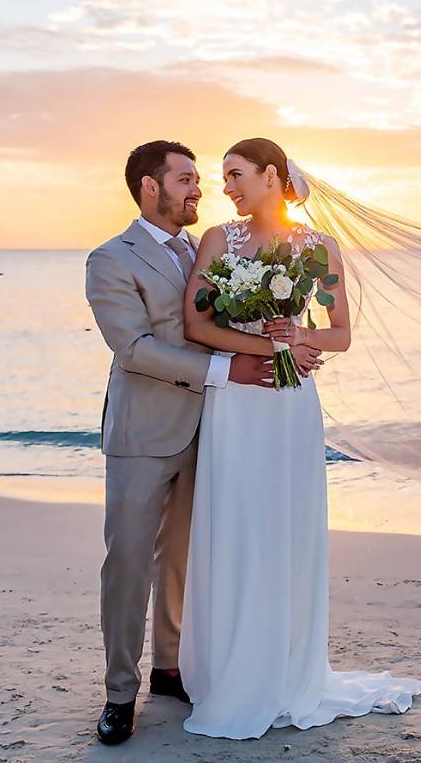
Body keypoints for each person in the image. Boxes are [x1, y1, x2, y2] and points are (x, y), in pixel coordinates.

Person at [177, 137, 421, 740]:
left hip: (289, 406)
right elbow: (196, 322)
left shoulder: (319, 247)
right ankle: (231, 669)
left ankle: (288, 670)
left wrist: (301, 334)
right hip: (238, 402)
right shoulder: (218, 241)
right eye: (223, 177)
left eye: (235, 174)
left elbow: (339, 334)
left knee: (286, 528)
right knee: (236, 525)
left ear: (270, 175)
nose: (227, 187)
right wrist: (273, 346)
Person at [84, 140, 323, 745]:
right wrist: (228, 371)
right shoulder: (111, 259)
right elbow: (134, 348)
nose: (199, 190)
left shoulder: (206, 247)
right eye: (187, 179)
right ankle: (119, 692)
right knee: (130, 562)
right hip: (146, 430)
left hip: (218, 428)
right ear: (150, 188)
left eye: (201, 180)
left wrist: (287, 344)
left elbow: (225, 325)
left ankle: (170, 668)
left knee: (186, 559)